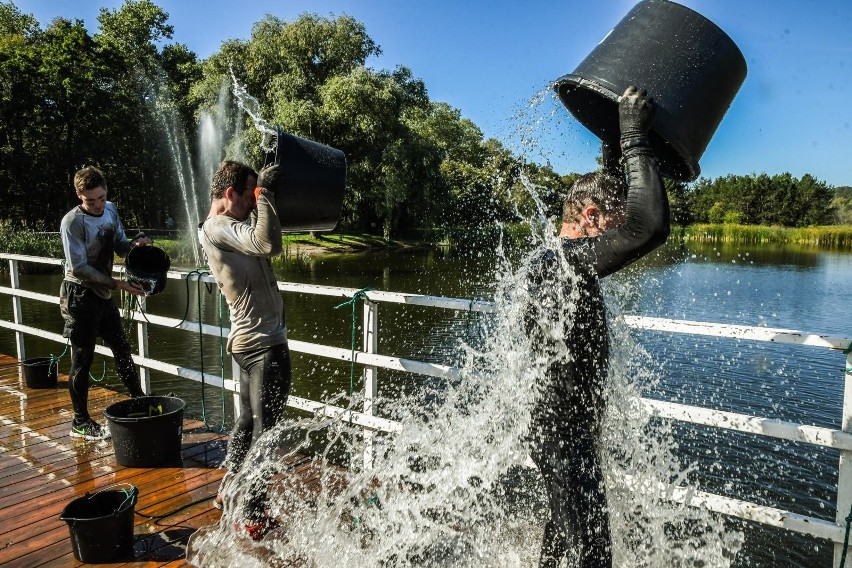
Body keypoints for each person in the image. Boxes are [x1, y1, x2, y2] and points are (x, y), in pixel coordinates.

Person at [525, 85, 669, 568]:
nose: (618, 244)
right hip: (562, 437)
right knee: (592, 555)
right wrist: (634, 141)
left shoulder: (556, 259)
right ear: (591, 217)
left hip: (566, 434)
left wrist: (612, 159)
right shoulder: (565, 264)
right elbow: (648, 228)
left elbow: (628, 222)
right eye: (613, 225)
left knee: (561, 541)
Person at [198, 160, 292, 540]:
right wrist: (266, 193)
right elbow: (269, 245)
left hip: (244, 342)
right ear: (228, 194)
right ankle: (253, 513)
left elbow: (261, 235)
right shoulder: (221, 225)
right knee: (266, 433)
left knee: (246, 423)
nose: (254, 203)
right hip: (264, 344)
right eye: (249, 195)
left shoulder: (218, 226)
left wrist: (264, 199)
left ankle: (227, 489)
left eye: (257, 194)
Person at [60, 166, 151, 441]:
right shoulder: (71, 222)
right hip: (79, 295)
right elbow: (79, 267)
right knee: (82, 359)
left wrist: (137, 245)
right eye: (91, 201)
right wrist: (118, 284)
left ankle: (139, 402)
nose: (98, 205)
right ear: (79, 196)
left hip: (104, 294)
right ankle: (80, 422)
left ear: (106, 192)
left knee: (122, 350)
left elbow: (120, 245)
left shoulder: (110, 209)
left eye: (101, 198)